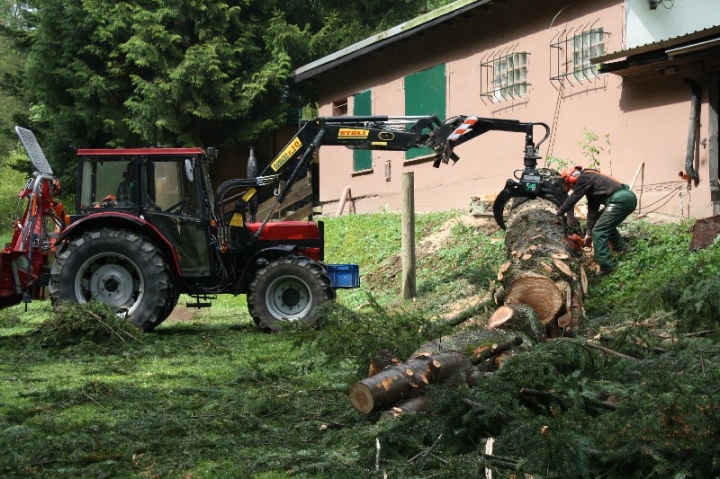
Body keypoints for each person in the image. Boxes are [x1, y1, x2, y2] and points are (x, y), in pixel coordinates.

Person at [555, 166, 637, 276]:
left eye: (571, 186)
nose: (573, 188)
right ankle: (621, 248)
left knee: (598, 231)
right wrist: (588, 233)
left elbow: (572, 199)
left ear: (570, 180)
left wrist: (558, 214)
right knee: (600, 220)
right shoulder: (590, 184)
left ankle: (607, 266)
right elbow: (592, 211)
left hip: (620, 199)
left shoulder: (584, 178)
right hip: (624, 198)